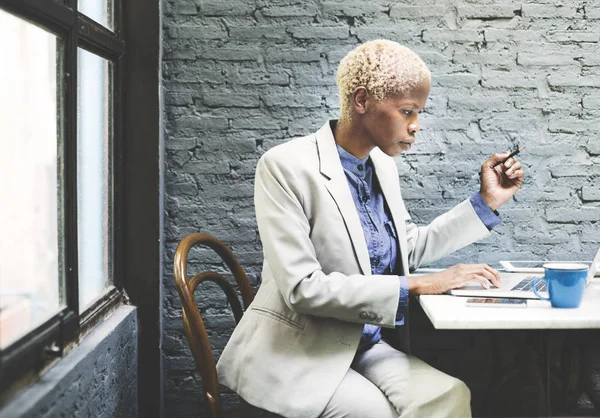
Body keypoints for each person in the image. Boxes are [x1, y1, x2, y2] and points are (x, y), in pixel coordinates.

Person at [216, 39, 524, 418]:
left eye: (419, 112)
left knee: (450, 395)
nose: (416, 126)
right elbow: (302, 288)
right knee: (378, 414)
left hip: (366, 343)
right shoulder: (284, 166)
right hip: (300, 352)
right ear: (362, 101)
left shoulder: (382, 168)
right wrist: (417, 284)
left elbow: (407, 248)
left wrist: (487, 201)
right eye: (407, 111)